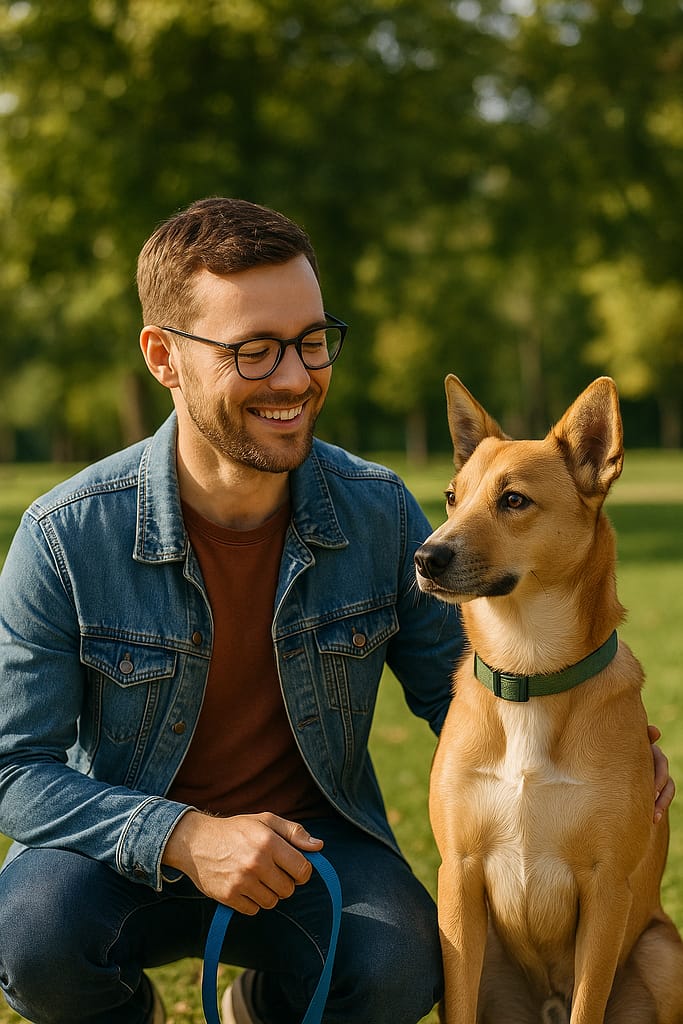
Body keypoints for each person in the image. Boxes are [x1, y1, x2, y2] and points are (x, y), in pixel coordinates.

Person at [0, 198, 673, 1024]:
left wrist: (607, 755)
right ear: (164, 357)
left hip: (313, 852)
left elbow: (454, 684)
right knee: (32, 933)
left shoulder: (378, 512)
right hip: (117, 855)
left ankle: (273, 1000)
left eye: (311, 341)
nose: (293, 376)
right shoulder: (66, 535)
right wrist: (181, 836)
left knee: (399, 959)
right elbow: (13, 768)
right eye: (253, 350)